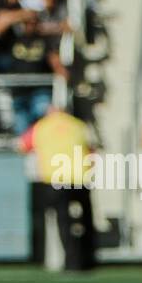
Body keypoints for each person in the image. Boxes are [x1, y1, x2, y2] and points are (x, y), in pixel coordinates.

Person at [21, 101, 96, 271]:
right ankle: (87, 257)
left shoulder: (40, 126)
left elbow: (22, 146)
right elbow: (91, 150)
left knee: (64, 221)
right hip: (79, 179)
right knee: (85, 218)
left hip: (54, 180)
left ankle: (70, 261)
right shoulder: (78, 125)